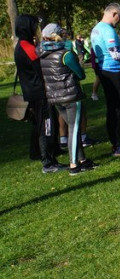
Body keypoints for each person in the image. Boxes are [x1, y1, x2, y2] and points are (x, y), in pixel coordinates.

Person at [38, 23, 96, 175]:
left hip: (54, 97)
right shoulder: (65, 54)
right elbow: (81, 74)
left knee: (72, 128)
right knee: (74, 129)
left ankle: (83, 160)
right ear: (57, 36)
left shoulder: (42, 54)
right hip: (70, 95)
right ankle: (73, 164)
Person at [14, 15, 61, 172]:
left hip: (32, 91)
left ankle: (40, 153)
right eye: (35, 26)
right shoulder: (27, 47)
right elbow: (40, 67)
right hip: (39, 92)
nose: (37, 29)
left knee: (40, 124)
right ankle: (48, 162)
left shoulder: (22, 44)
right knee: (46, 126)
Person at [89, 3, 120, 156]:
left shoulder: (95, 29)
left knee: (112, 108)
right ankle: (118, 145)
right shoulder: (107, 30)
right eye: (119, 18)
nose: (119, 21)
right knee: (118, 109)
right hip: (114, 71)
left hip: (104, 71)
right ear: (114, 14)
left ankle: (116, 143)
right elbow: (116, 54)